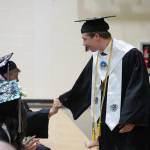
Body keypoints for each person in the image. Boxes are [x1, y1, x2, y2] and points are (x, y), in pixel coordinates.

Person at [51, 16, 150, 150]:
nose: (84, 44)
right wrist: (64, 100)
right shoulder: (97, 56)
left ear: (97, 36)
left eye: (85, 39)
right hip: (105, 121)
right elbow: (85, 84)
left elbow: (138, 89)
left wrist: (131, 119)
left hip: (126, 123)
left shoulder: (129, 54)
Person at [0, 56, 52, 150]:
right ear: (6, 75)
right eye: (15, 76)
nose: (18, 80)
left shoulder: (10, 95)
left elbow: (24, 117)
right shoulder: (5, 96)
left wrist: (23, 142)